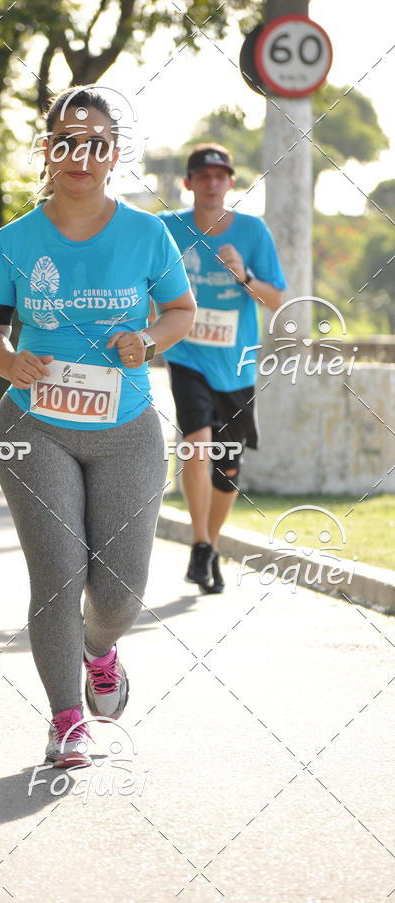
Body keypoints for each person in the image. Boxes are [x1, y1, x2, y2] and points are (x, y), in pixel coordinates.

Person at [0, 87, 196, 768]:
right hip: (35, 425)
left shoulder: (146, 233)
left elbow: (181, 310)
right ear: (49, 152)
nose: (81, 153)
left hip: (126, 426)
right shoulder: (14, 241)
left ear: (113, 156)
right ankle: (66, 718)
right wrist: (10, 361)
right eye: (68, 140)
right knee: (58, 576)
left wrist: (148, 341)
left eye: (97, 142)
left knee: (120, 594)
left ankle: (101, 650)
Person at [158, 144, 285, 592]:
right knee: (196, 442)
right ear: (189, 183)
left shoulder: (252, 231)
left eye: (221, 176)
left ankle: (210, 545)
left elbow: (276, 301)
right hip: (186, 353)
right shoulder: (166, 228)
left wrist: (244, 277)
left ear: (231, 183)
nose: (212, 183)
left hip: (235, 365)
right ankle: (197, 544)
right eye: (203, 176)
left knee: (228, 469)